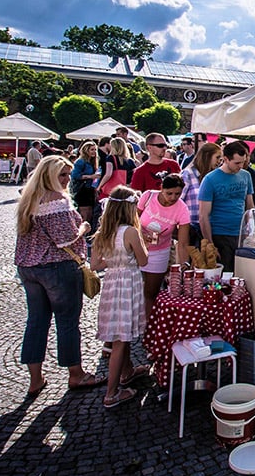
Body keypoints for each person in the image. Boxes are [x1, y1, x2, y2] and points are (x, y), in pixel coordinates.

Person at [14, 155, 105, 397]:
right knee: (67, 321)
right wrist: (85, 227)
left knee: (36, 321)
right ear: (49, 176)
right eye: (62, 175)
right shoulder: (57, 201)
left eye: (68, 174)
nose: (67, 180)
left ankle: (35, 378)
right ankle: (75, 373)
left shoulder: (29, 198)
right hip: (57, 267)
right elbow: (66, 239)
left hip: (28, 267)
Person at [89, 185, 150, 408]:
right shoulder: (130, 232)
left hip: (112, 285)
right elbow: (143, 261)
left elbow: (95, 264)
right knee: (120, 340)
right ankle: (112, 393)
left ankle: (128, 371)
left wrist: (114, 261)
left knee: (120, 334)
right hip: (128, 285)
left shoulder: (102, 233)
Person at [139, 174, 191, 319]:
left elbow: (183, 242)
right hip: (137, 247)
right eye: (169, 193)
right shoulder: (148, 196)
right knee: (132, 289)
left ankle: (147, 326)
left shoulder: (182, 209)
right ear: (161, 189)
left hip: (159, 252)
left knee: (151, 292)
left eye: (177, 194)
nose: (173, 197)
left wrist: (184, 264)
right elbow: (133, 220)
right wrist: (140, 236)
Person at [199, 140, 254, 273]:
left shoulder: (246, 175)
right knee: (224, 274)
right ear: (226, 159)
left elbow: (250, 205)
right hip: (220, 234)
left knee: (242, 273)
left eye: (243, 162)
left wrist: (251, 230)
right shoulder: (210, 179)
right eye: (237, 163)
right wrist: (210, 244)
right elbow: (203, 215)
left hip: (241, 234)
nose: (240, 166)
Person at [181, 141, 221, 249]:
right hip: (191, 228)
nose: (219, 162)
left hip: (210, 226)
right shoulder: (188, 174)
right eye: (217, 158)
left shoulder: (214, 176)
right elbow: (178, 200)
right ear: (207, 156)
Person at [69, 141, 100, 224]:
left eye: (95, 150)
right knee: (84, 212)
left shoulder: (93, 162)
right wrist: (90, 176)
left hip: (90, 189)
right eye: (92, 150)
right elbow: (75, 175)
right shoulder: (80, 162)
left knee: (90, 212)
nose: (94, 152)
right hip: (82, 190)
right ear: (86, 151)